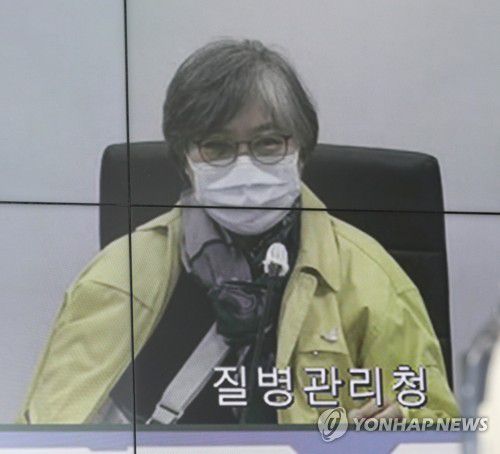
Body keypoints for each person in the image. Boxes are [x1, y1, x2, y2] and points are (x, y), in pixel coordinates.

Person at [18, 39, 459, 424]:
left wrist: (399, 427)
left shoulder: (371, 278)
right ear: (185, 160)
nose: (244, 165)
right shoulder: (119, 275)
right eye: (217, 146)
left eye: (268, 143)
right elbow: (46, 433)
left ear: (301, 150)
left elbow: (439, 426)